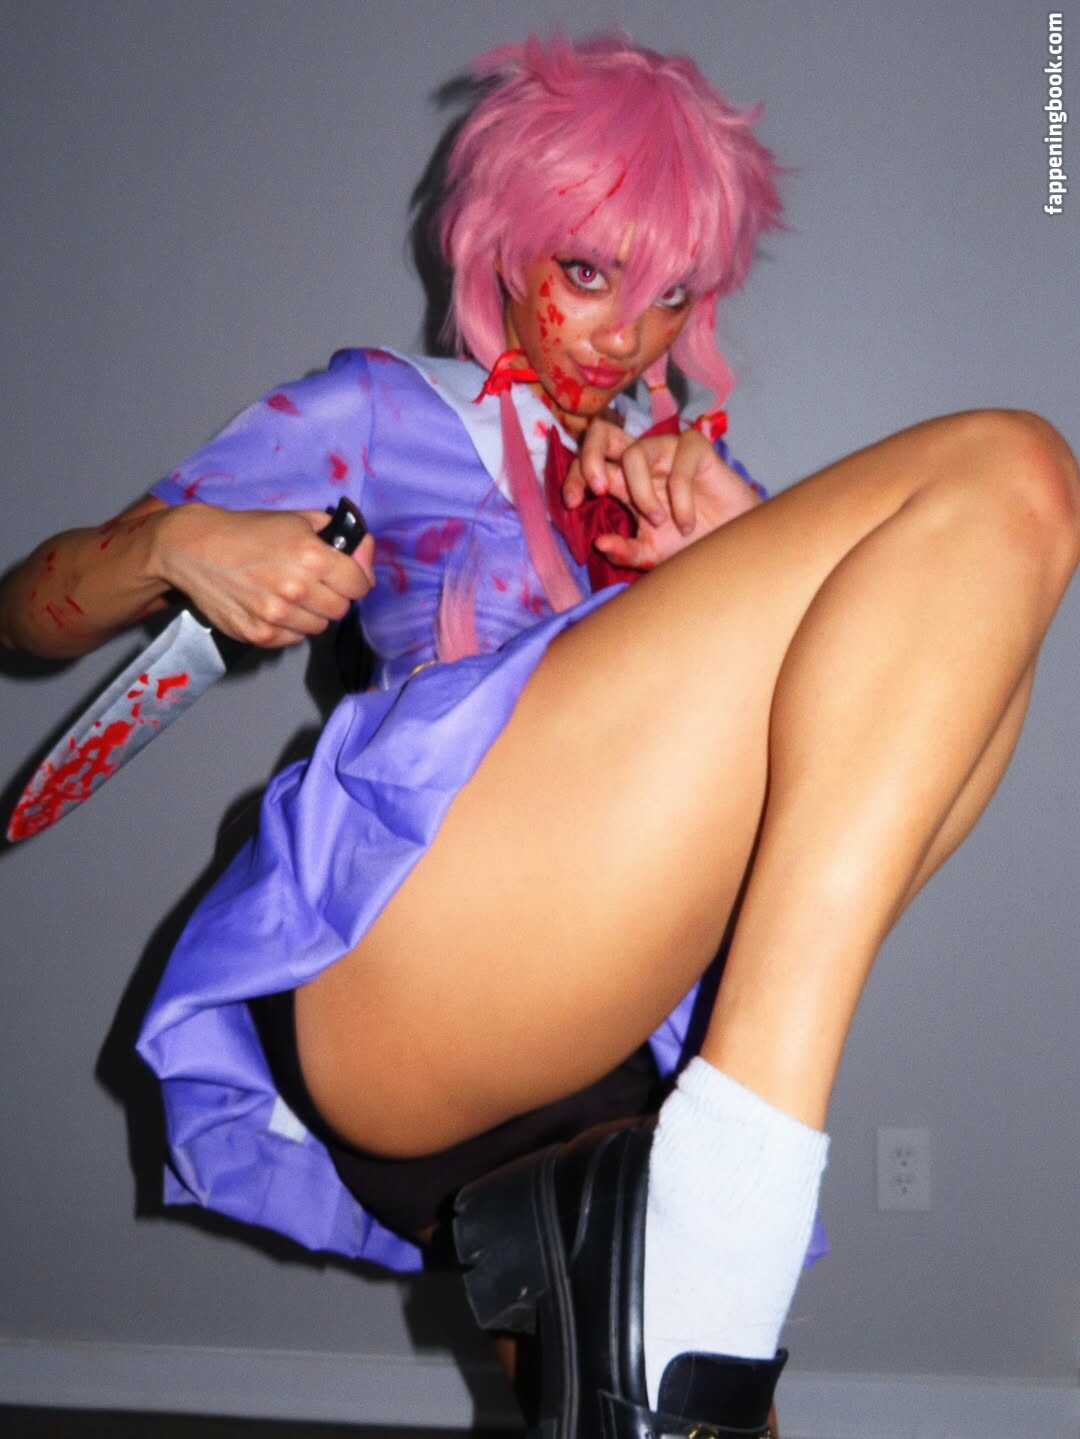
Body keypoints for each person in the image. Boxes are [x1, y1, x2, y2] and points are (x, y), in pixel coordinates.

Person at [2, 32, 1078, 1439]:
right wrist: (179, 545)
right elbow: (29, 614)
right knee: (1012, 480)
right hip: (412, 959)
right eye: (587, 272)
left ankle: (703, 1189)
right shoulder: (382, 416)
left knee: (678, 1418)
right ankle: (741, 1181)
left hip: (607, 1057)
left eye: (670, 294)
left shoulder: (672, 478)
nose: (628, 337)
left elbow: (849, 752)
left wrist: (732, 545)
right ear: (501, 244)